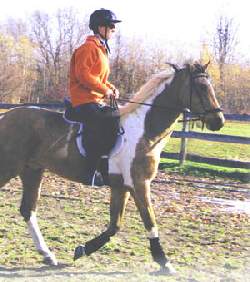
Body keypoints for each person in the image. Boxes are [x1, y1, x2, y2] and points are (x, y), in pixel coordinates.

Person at [69, 9, 122, 186]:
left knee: (116, 117)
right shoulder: (88, 48)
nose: (114, 29)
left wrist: (110, 88)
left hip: (95, 98)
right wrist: (104, 90)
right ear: (100, 27)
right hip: (84, 99)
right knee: (107, 121)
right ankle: (90, 172)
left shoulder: (101, 49)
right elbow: (83, 76)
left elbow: (99, 78)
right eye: (111, 26)